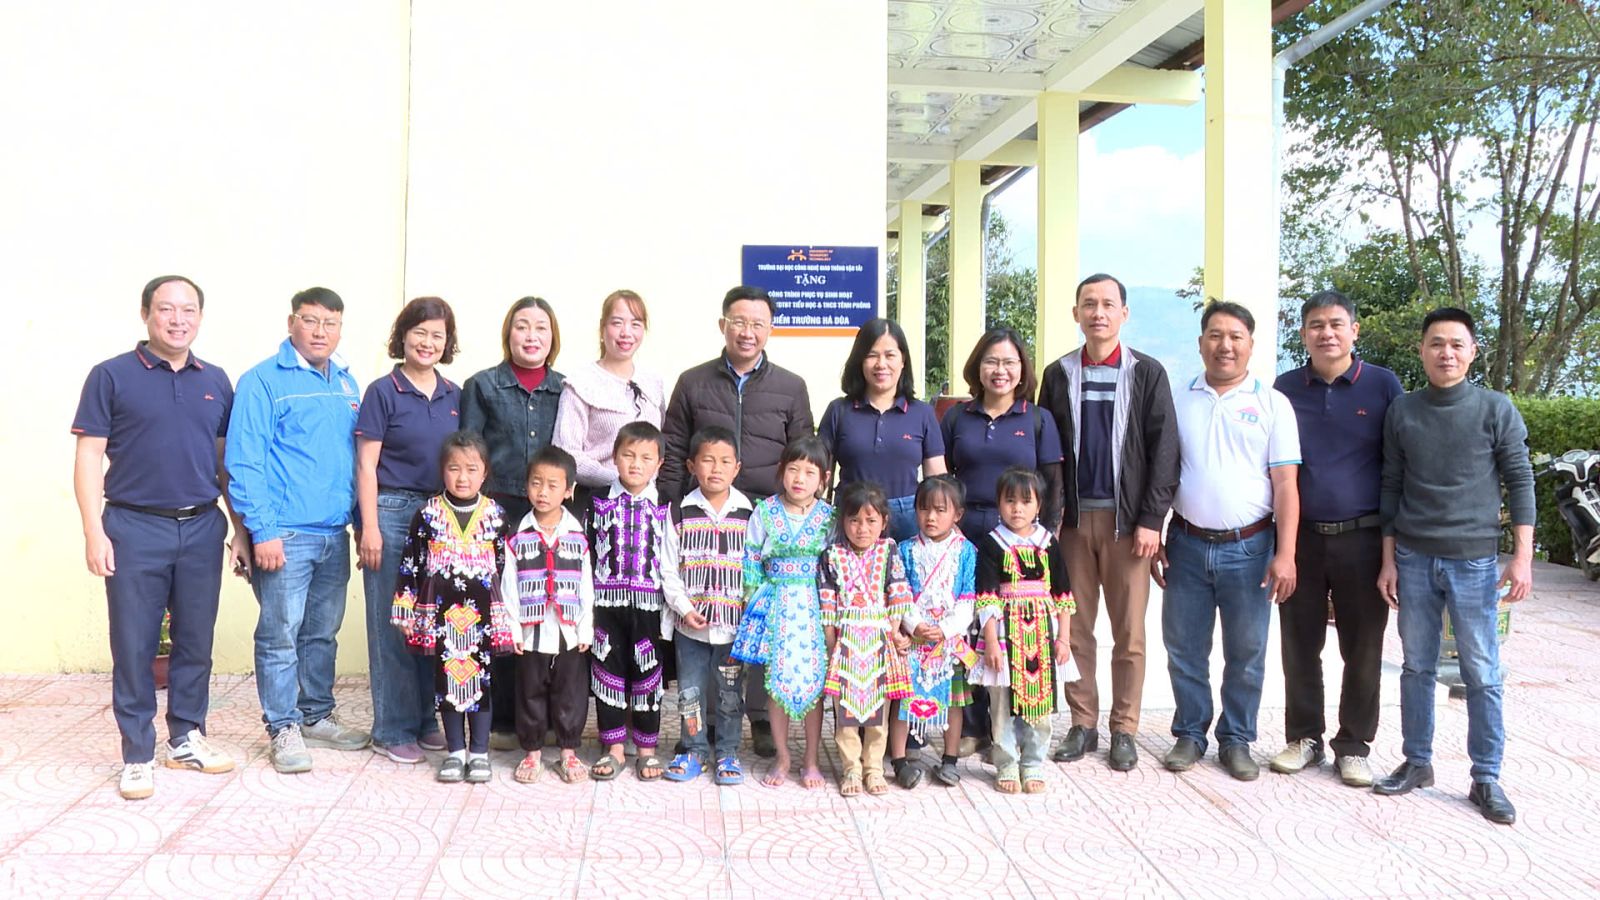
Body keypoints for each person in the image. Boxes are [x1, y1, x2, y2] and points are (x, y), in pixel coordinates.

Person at [73, 275, 244, 800]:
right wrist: (94, 531)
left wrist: (239, 528)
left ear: (200, 317)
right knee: (134, 644)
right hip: (134, 526)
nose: (178, 319)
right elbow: (88, 457)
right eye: (166, 309)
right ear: (146, 313)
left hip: (202, 525)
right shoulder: (111, 376)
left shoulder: (215, 380)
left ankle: (186, 737)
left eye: (188, 310)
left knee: (195, 640)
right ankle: (137, 754)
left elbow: (224, 462)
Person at [1372, 307, 1534, 826]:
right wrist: (1388, 560)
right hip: (1414, 557)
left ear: (1472, 352)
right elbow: (1391, 486)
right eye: (1437, 343)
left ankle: (1486, 776)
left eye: (1457, 344)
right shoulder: (1403, 411)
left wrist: (1522, 557)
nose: (1446, 353)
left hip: (1474, 561)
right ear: (1422, 350)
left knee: (1482, 671)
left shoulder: (1495, 408)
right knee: (1416, 666)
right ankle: (1417, 761)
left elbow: (1520, 481)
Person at [660, 285, 815, 758]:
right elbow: (673, 448)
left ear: (770, 329)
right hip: (705, 521)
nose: (748, 332)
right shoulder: (693, 382)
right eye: (739, 322)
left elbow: (803, 453)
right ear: (723, 324)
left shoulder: (791, 386)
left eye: (758, 324)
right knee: (709, 618)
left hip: (767, 522)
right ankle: (704, 724)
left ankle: (761, 718)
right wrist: (674, 508)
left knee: (759, 616)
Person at [1038, 272, 1179, 772]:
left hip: (1129, 526)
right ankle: (1082, 723)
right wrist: (1048, 518)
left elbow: (1165, 451)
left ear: (1124, 313)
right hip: (1073, 525)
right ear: (1076, 313)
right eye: (1089, 304)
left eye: (1107, 304)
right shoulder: (1059, 374)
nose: (1098, 313)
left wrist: (1152, 519)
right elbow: (1047, 450)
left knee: (1129, 633)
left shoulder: (1147, 373)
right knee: (1074, 628)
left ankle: (1124, 728)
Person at [227, 286, 371, 773]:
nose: (320, 331)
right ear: (292, 323)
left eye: (331, 323)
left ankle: (316, 715)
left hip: (333, 534)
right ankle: (283, 726)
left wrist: (359, 524)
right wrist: (261, 531)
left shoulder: (346, 384)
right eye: (310, 321)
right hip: (284, 535)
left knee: (321, 633)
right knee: (279, 634)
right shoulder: (263, 381)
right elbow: (244, 461)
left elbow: (354, 461)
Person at [1154, 300, 1300, 781]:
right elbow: (1162, 473)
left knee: (1247, 652)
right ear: (1200, 343)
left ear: (1251, 345)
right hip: (1187, 544)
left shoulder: (1272, 403)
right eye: (1215, 335)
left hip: (1251, 548)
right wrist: (1155, 531)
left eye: (1236, 336)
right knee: (1184, 648)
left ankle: (1237, 739)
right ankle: (1190, 733)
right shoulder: (1179, 399)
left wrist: (1285, 554)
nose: (1225, 345)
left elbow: (1285, 484)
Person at [1269, 290, 1404, 787]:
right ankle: (1304, 737)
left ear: (1354, 330)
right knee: (1299, 644)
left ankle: (1353, 745)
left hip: (1363, 539)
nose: (1326, 333)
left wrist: (1392, 553)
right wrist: (1280, 548)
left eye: (1336, 324)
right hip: (1301, 539)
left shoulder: (1383, 386)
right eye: (1316, 325)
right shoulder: (1285, 388)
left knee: (1363, 649)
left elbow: (1397, 470)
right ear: (1304, 333)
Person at [940, 326, 1064, 754]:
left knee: (1013, 630)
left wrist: (1046, 537)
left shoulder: (1037, 418)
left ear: (1022, 369)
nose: (1000, 370)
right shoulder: (957, 417)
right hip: (967, 533)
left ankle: (1014, 729)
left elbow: (1053, 483)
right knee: (969, 626)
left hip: (1020, 539)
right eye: (991, 361)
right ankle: (973, 727)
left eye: (1009, 362)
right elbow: (943, 476)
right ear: (978, 366)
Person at [354, 297, 460, 765]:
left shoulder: (455, 395)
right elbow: (366, 465)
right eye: (420, 332)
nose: (428, 343)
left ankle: (424, 721)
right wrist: (370, 526)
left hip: (439, 514)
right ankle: (392, 728)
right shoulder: (383, 391)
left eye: (438, 335)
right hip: (393, 511)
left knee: (430, 622)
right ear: (403, 335)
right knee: (393, 623)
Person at [461, 296, 566, 750]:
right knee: (501, 610)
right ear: (509, 333)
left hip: (550, 513)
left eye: (541, 328)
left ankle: (546, 718)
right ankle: (502, 719)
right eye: (522, 326)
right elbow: (468, 451)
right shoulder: (482, 385)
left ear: (552, 337)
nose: (531, 336)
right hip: (498, 511)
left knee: (548, 611)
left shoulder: (566, 388)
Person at [389, 431, 515, 784]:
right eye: (454, 468)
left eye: (471, 469)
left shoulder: (496, 515)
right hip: (440, 616)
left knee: (481, 682)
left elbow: (505, 566)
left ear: (485, 472)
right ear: (442, 470)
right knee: (446, 683)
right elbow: (410, 563)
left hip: (483, 617)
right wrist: (405, 608)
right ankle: (455, 752)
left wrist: (508, 613)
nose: (462, 477)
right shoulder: (427, 515)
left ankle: (479, 753)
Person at [732, 436, 835, 788]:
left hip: (814, 610)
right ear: (781, 472)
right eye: (793, 469)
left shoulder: (829, 517)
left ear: (823, 479)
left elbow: (833, 566)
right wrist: (753, 601)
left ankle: (811, 760)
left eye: (809, 472)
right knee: (776, 684)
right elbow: (750, 558)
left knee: (814, 685)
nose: (799, 478)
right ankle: (783, 756)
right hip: (775, 607)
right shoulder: (765, 512)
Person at [968, 467, 1074, 795]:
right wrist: (991, 643)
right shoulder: (993, 544)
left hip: (1041, 633)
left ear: (1039, 505)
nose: (1017, 509)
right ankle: (1006, 762)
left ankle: (1032, 761)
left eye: (1025, 502)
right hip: (1003, 632)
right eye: (1009, 500)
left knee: (1040, 701)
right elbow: (986, 597)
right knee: (1000, 701)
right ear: (998, 503)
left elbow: (1063, 593)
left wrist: (1064, 638)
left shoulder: (1048, 543)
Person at [661, 426, 755, 785]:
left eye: (725, 461)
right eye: (707, 460)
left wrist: (749, 608)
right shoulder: (679, 512)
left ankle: (728, 751)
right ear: (691, 465)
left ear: (737, 467)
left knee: (730, 693)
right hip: (690, 627)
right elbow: (668, 568)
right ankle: (694, 749)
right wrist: (683, 607)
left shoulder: (750, 514)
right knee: (690, 692)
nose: (716, 468)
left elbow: (755, 567)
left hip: (734, 627)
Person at [586, 421, 672, 781]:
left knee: (648, 675)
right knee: (608, 672)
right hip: (606, 606)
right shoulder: (597, 502)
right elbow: (587, 555)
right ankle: (614, 747)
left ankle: (647, 750)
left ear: (659, 463)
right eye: (628, 455)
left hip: (650, 608)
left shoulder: (667, 505)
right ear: (614, 457)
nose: (636, 464)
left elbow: (671, 560)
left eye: (646, 458)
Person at [502, 445, 593, 785]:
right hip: (531, 632)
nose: (543, 492)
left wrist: (585, 628)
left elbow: (586, 586)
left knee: (570, 693)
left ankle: (568, 751)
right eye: (536, 483)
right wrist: (513, 629)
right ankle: (533, 751)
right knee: (530, 692)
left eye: (553, 485)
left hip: (568, 632)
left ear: (569, 490)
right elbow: (509, 586)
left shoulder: (578, 536)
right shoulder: (518, 535)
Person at [819, 481, 914, 797]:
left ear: (884, 522)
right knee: (846, 712)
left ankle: (874, 768)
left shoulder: (889, 551)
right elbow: (827, 602)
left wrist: (893, 633)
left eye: (871, 520)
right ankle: (851, 768)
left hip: (879, 641)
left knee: (878, 714)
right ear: (843, 521)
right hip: (846, 641)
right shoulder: (832, 555)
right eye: (854, 520)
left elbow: (898, 592)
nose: (862, 528)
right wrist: (832, 645)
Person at [818, 318, 946, 542]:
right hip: (852, 517)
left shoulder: (922, 413)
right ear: (860, 360)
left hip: (907, 519)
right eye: (872, 355)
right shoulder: (839, 410)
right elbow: (820, 474)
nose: (881, 364)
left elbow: (936, 478)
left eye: (890, 355)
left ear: (903, 360)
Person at [891, 475, 978, 789]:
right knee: (904, 698)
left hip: (948, 640)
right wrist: (914, 624)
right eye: (924, 509)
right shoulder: (904, 550)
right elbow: (899, 593)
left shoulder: (967, 552)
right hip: (914, 638)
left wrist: (944, 629)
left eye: (941, 510)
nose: (931, 517)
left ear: (957, 514)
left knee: (953, 701)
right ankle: (899, 760)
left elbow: (968, 597)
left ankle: (950, 759)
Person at [552, 290, 665, 508]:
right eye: (617, 323)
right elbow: (566, 453)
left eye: (635, 324)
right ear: (602, 328)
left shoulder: (653, 383)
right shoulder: (581, 383)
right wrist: (620, 480)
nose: (626, 332)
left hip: (647, 502)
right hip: (596, 501)